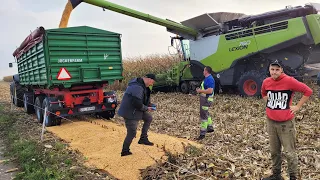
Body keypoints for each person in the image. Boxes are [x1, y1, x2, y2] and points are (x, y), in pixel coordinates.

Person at [261, 60, 313, 180]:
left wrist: (298, 106)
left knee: (289, 152)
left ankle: (293, 176)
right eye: (272, 69)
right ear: (269, 70)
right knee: (274, 151)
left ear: (281, 70)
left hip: (286, 124)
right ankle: (276, 175)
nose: (274, 72)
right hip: (271, 122)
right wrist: (268, 102)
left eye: (277, 70)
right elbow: (263, 92)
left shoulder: (289, 81)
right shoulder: (266, 81)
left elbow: (308, 91)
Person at [117, 73, 157, 156]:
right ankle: (125, 151)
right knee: (132, 132)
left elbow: (143, 100)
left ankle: (143, 139)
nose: (152, 84)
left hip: (137, 110)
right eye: (152, 82)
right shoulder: (137, 87)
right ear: (148, 79)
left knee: (148, 118)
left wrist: (150, 105)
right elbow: (137, 103)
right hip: (130, 112)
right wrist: (147, 108)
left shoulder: (143, 86)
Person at [195, 66, 215, 140]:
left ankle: (202, 134)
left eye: (204, 70)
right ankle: (210, 127)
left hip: (206, 99)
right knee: (206, 113)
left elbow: (210, 91)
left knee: (203, 116)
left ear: (206, 71)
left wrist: (200, 91)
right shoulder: (207, 79)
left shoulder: (209, 79)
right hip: (205, 99)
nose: (203, 71)